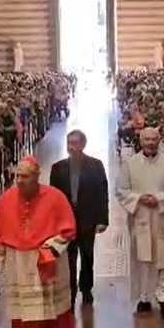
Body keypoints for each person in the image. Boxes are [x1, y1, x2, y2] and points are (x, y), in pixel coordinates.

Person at [0, 157, 78, 328]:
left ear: (37, 176)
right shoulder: (6, 201)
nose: (19, 181)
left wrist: (49, 251)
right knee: (26, 318)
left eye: (25, 176)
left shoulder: (55, 198)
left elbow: (67, 231)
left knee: (52, 313)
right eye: (17, 176)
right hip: (18, 265)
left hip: (47, 263)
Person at [116, 127, 164, 321]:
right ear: (141, 140)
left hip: (162, 216)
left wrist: (161, 199)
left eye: (154, 139)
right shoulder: (130, 163)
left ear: (159, 140)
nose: (151, 143)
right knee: (141, 258)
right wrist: (139, 198)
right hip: (141, 216)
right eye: (147, 139)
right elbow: (121, 189)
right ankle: (143, 297)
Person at [50, 130, 109, 307]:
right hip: (67, 220)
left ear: (83, 144)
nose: (72, 147)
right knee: (68, 257)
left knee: (87, 255)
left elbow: (102, 193)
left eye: (76, 143)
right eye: (70, 143)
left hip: (88, 217)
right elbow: (53, 198)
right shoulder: (58, 168)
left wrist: (103, 219)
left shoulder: (95, 165)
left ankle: (86, 289)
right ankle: (70, 289)